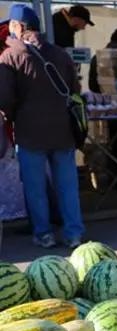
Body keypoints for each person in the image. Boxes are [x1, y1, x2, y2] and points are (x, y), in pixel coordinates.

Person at [0, 5, 85, 248]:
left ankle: (43, 234)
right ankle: (74, 234)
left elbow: (4, 98)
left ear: (18, 27)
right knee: (68, 187)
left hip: (29, 133)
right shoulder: (60, 53)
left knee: (35, 188)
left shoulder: (10, 56)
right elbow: (75, 90)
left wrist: (14, 116)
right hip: (63, 131)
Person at [89, 29, 117, 177]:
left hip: (105, 107)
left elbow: (91, 85)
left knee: (106, 143)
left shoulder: (98, 57)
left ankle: (109, 175)